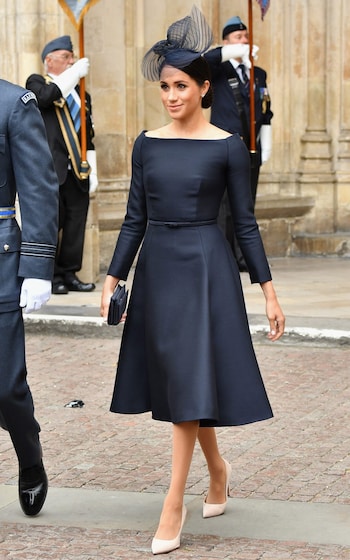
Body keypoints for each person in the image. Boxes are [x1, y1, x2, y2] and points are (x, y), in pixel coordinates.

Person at [100, 6, 285, 555]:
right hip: (158, 268)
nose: (172, 95)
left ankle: (173, 502)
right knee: (184, 379)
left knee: (187, 380)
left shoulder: (229, 144)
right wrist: (112, 278)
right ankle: (219, 469)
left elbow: (245, 224)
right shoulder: (146, 143)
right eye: (164, 86)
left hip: (207, 268)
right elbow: (134, 216)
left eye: (181, 85)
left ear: (204, 88)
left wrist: (268, 290)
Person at [0, 78, 59, 515]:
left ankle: (29, 455)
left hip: (0, 258)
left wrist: (36, 267)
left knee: (5, 387)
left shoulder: (12, 102)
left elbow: (38, 186)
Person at [26, 35, 97, 295]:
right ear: (49, 60)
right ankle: (51, 275)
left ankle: (69, 273)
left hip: (78, 171)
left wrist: (93, 168)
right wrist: (75, 73)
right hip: (51, 172)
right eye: (66, 57)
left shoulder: (81, 94)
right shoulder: (37, 82)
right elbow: (46, 98)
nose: (71, 61)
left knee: (76, 225)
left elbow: (88, 133)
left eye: (72, 58)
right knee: (51, 225)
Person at [204, 16, 273, 271]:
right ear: (226, 42)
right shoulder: (219, 70)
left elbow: (265, 109)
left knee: (245, 204)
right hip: (223, 147)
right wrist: (230, 52)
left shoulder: (258, 73)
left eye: (246, 38)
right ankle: (224, 256)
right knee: (222, 206)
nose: (244, 41)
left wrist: (266, 142)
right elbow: (203, 61)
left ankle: (242, 257)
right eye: (237, 38)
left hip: (250, 148)